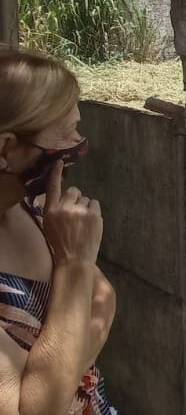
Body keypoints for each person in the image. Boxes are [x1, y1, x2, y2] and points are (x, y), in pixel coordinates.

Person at [0, 49, 117, 414]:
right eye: (66, 134)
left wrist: (53, 376)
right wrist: (74, 266)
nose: (78, 144)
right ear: (5, 147)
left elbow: (104, 300)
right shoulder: (60, 238)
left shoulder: (31, 208)